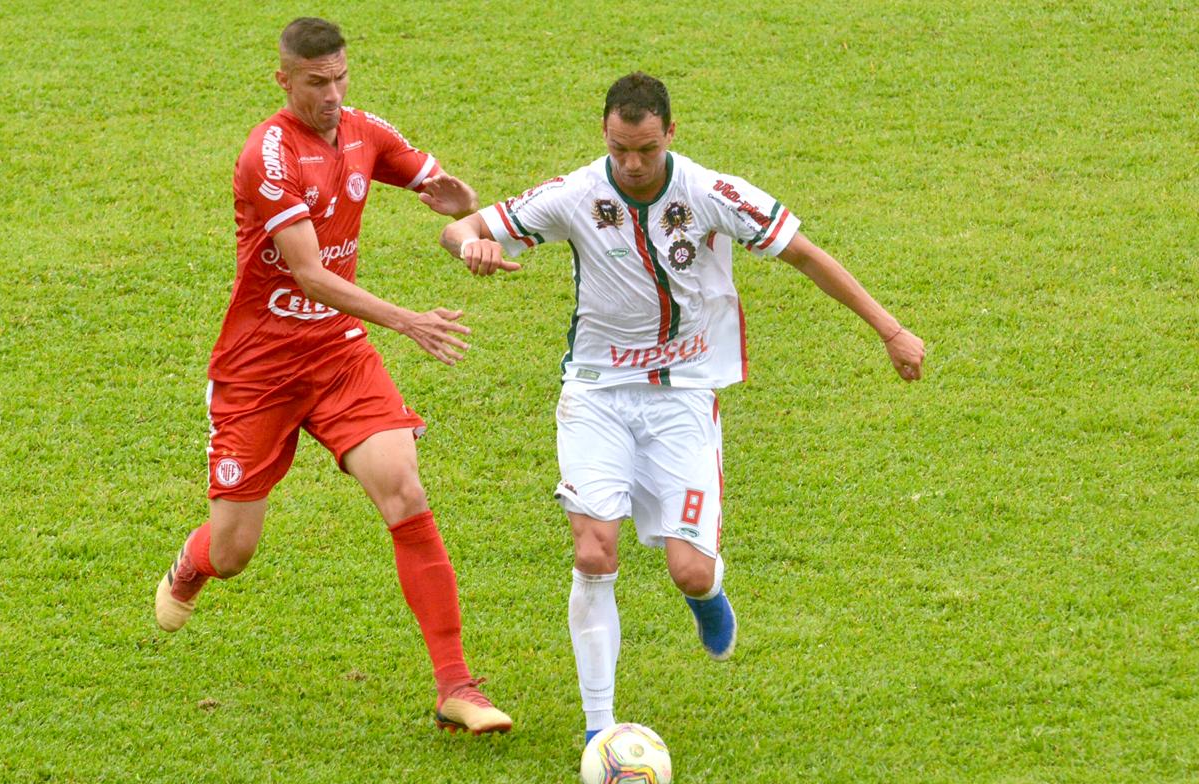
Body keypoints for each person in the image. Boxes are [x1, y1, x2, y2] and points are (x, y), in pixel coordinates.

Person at [439, 72, 924, 742]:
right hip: (596, 394)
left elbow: (806, 256)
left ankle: (708, 594)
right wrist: (471, 244)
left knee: (689, 570)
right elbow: (464, 227)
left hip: (682, 397)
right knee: (593, 552)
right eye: (619, 149)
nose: (633, 164)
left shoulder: (711, 192)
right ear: (604, 135)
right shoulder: (576, 193)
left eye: (646, 149)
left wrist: (890, 330)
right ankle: (600, 731)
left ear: (671, 132)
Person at [154, 17, 511, 735]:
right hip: (258, 368)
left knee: (404, 489)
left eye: (341, 77)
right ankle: (193, 563)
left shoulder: (362, 130)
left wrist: (463, 204)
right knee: (234, 550)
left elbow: (433, 181)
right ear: (284, 79)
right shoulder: (267, 155)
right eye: (317, 82)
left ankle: (457, 686)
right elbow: (310, 274)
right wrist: (407, 320)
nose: (333, 94)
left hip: (338, 353)